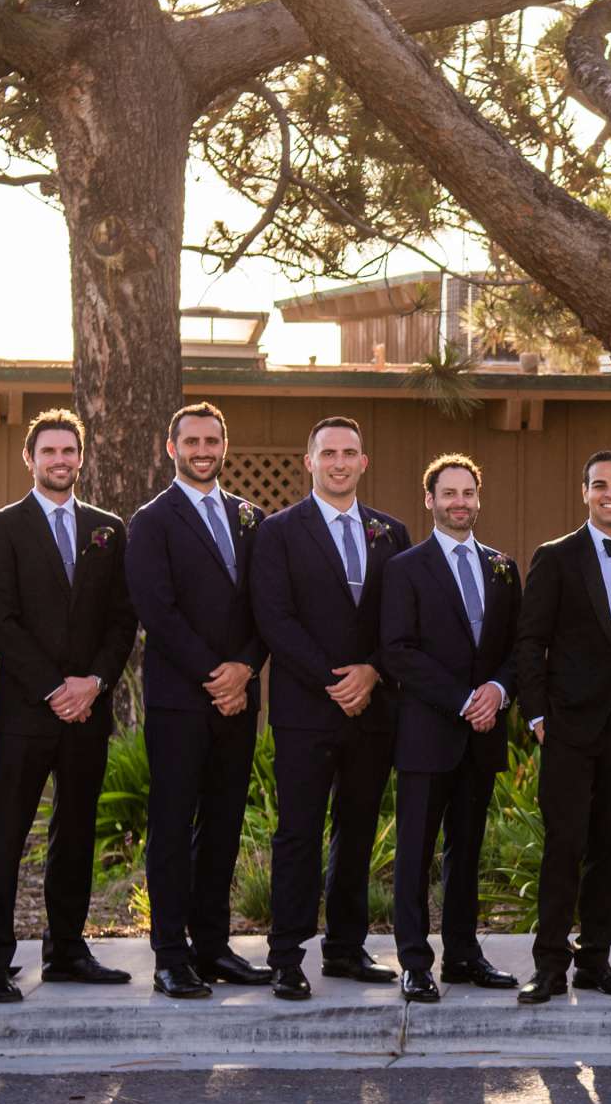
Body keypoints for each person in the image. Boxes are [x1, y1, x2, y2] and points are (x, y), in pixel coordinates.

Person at [0, 409, 138, 1001]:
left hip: (87, 710)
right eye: (50, 452)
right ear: (31, 458)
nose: (60, 461)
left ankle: (66, 949)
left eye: (69, 451)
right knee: (8, 833)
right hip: (26, 710)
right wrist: (54, 687)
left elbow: (123, 618)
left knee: (76, 831)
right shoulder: (3, 525)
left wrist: (92, 682)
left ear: (81, 457)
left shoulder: (107, 528)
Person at [247, 417, 412, 1001]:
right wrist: (333, 679)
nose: (339, 462)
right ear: (309, 461)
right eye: (328, 453)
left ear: (364, 462)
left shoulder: (392, 533)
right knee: (298, 833)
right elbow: (274, 618)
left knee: (358, 830)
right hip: (305, 710)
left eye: (350, 453)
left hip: (373, 708)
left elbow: (401, 620)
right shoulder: (278, 532)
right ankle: (286, 956)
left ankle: (344, 948)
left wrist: (372, 671)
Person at [123, 402, 272, 1000]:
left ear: (224, 446)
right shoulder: (151, 520)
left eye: (212, 439)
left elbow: (267, 603)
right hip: (182, 699)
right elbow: (156, 609)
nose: (203, 449)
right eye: (192, 440)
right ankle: (169, 955)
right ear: (172, 448)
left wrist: (246, 668)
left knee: (224, 824)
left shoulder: (251, 517)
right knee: (172, 824)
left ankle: (211, 946)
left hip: (240, 696)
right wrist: (217, 675)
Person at [513, 451, 611, 1005]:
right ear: (585, 491)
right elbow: (530, 642)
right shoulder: (556, 557)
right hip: (568, 726)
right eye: (600, 485)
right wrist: (538, 714)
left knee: (609, 846)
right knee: (563, 845)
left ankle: (595, 961)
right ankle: (549, 965)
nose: (610, 494)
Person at [378, 454, 522, 1002]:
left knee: (467, 851)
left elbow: (516, 648)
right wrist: (464, 699)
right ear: (430, 500)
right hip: (427, 732)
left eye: (468, 493)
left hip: (483, 735)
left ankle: (463, 954)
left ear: (478, 499)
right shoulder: (406, 568)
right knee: (415, 852)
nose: (459, 502)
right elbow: (398, 650)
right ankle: (415, 961)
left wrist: (499, 692)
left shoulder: (503, 567)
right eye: (449, 493)